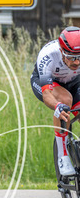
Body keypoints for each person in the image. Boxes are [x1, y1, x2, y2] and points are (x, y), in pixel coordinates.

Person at [31, 26, 80, 175]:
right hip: (48, 83)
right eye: (72, 57)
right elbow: (47, 94)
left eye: (79, 57)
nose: (77, 62)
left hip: (74, 81)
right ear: (61, 52)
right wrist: (57, 106)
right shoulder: (48, 55)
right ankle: (62, 156)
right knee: (65, 101)